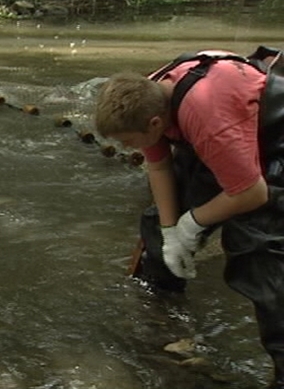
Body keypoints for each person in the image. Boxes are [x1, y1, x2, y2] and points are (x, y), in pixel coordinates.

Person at [94, 47, 284, 388]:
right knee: (156, 227)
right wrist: (170, 232)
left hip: (271, 143)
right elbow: (159, 166)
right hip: (224, 137)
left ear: (155, 124)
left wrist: (191, 224)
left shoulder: (207, 120)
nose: (126, 148)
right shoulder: (146, 99)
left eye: (128, 142)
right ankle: (160, 321)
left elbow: (252, 193)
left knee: (254, 250)